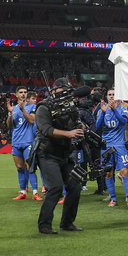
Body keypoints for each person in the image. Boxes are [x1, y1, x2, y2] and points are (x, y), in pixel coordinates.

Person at [36, 77, 84, 234]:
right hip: (48, 153)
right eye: (65, 91)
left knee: (75, 185)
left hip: (65, 154)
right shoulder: (44, 107)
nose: (68, 95)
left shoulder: (69, 107)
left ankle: (67, 222)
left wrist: (80, 128)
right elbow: (46, 130)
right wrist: (69, 133)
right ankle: (44, 224)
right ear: (55, 90)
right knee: (56, 187)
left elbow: (76, 123)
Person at [96, 88, 128, 207]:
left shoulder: (123, 109)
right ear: (106, 97)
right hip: (106, 146)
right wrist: (102, 112)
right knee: (108, 173)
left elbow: (123, 122)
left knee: (125, 171)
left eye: (114, 94)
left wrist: (115, 109)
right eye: (109, 94)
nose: (111, 96)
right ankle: (113, 199)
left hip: (120, 145)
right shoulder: (102, 110)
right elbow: (97, 126)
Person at [7, 86, 42, 201]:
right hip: (16, 141)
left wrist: (22, 109)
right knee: (19, 167)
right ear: (16, 95)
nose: (23, 94)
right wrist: (10, 113)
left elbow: (31, 120)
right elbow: (9, 125)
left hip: (28, 141)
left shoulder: (33, 107)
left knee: (30, 166)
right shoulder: (14, 108)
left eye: (25, 92)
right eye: (20, 92)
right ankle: (23, 192)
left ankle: (35, 193)